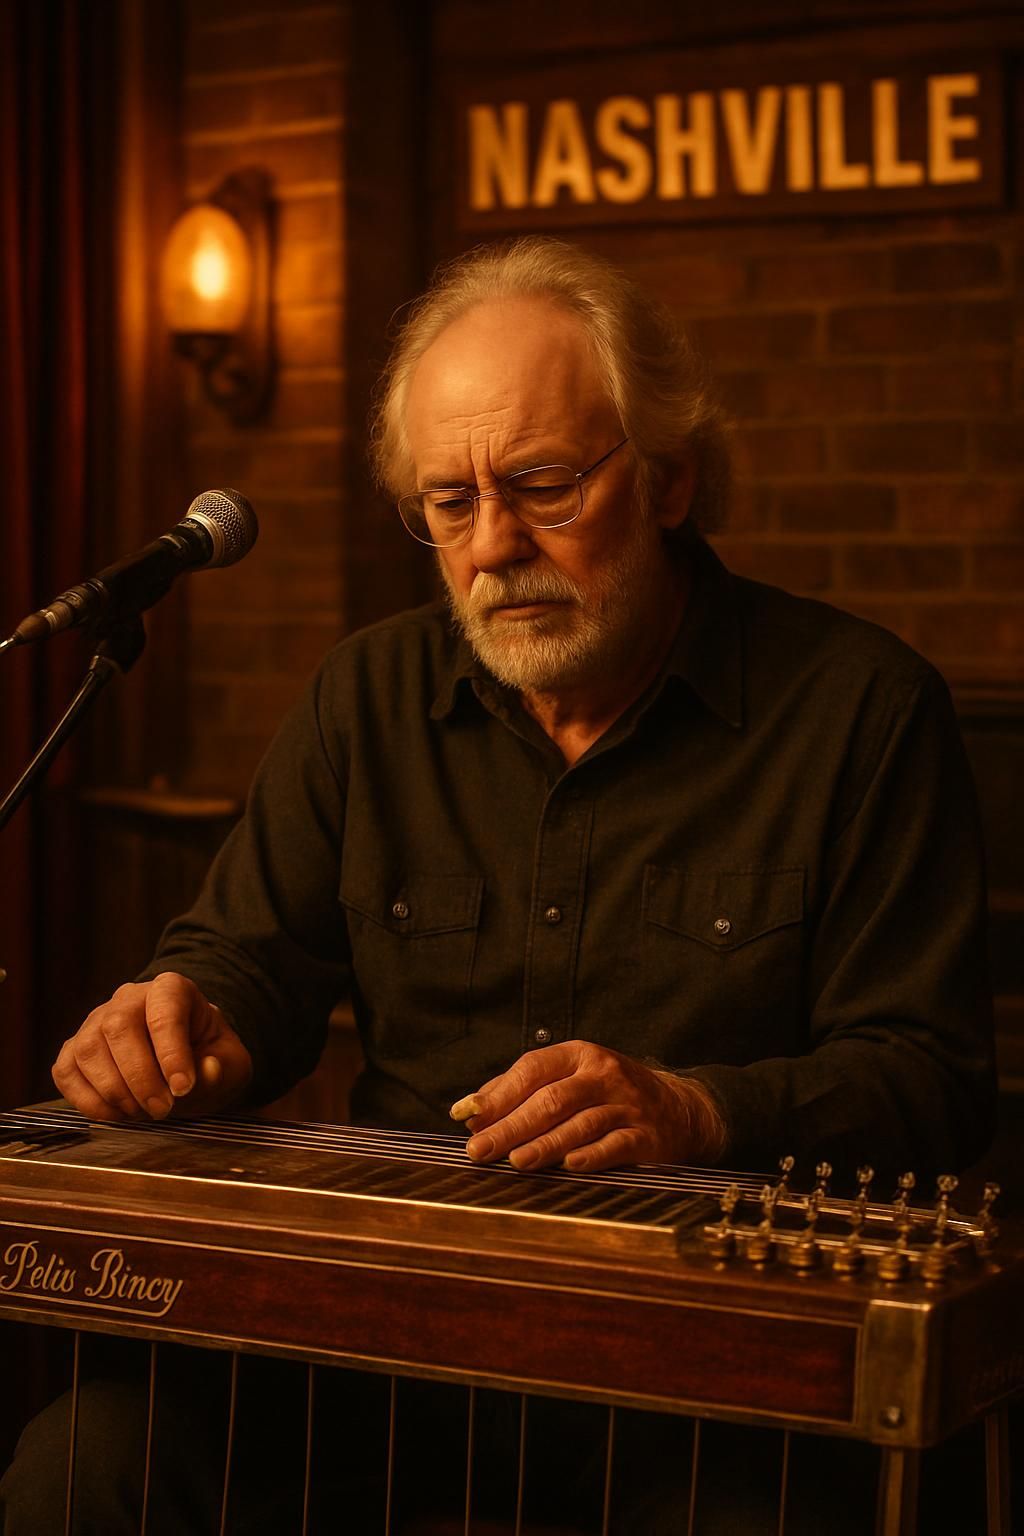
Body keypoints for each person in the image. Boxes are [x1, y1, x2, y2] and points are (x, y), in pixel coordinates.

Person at [2, 237, 996, 1534]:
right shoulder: (366, 699)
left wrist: (695, 1109)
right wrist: (181, 1019)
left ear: (671, 478)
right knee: (92, 1464)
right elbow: (248, 964)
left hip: (698, 1375)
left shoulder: (860, 711)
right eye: (449, 503)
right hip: (382, 1347)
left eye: (542, 485)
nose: (493, 546)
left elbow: (930, 1078)